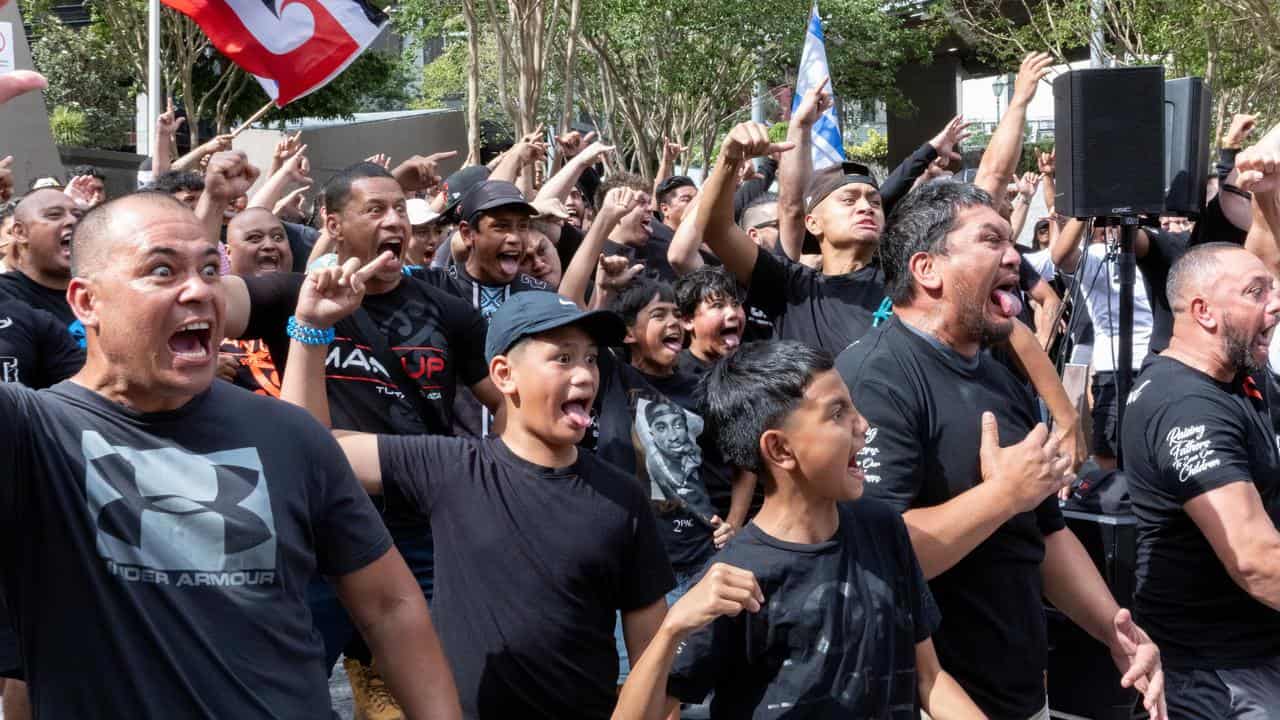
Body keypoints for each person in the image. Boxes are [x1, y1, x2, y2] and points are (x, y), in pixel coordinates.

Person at [0, 191, 462, 719]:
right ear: (86, 302)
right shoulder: (30, 435)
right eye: (162, 271)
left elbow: (390, 608)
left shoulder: (292, 434)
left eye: (209, 270)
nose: (198, 290)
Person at [836, 180, 1166, 719]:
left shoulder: (996, 374)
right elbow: (875, 555)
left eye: (1011, 242)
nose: (1015, 257)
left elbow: (1044, 534)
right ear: (927, 269)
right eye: (992, 241)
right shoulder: (877, 379)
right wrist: (1004, 496)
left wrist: (1116, 631)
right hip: (928, 698)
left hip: (1021, 693)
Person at [280, 285, 675, 719]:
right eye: (562, 358)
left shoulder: (622, 496)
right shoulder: (450, 469)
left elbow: (653, 662)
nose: (584, 375)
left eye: (591, 359)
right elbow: (308, 449)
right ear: (504, 374)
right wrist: (311, 329)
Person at [219, 158, 499, 718]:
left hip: (418, 536)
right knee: (277, 686)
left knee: (438, 687)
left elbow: (507, 401)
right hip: (315, 528)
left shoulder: (449, 313)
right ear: (333, 222)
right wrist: (209, 213)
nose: (394, 220)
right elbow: (207, 299)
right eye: (375, 208)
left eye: (400, 208)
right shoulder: (288, 294)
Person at [611, 340, 986, 719]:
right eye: (838, 413)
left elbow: (929, 678)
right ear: (779, 450)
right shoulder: (732, 582)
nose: (864, 425)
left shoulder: (883, 529)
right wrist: (672, 629)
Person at [1122, 243, 1280, 718]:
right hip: (1218, 679)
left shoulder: (1233, 378)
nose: (1274, 303)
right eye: (1256, 292)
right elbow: (1254, 560)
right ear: (1204, 312)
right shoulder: (1186, 405)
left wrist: (1266, 195)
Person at [0, 189, 84, 342]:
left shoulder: (100, 291)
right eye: (54, 215)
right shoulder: (5, 296)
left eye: (78, 215)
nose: (73, 221)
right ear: (20, 233)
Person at [674, 266, 745, 375]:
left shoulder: (750, 369)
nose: (732, 313)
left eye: (735, 304)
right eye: (718, 305)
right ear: (688, 321)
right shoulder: (674, 371)